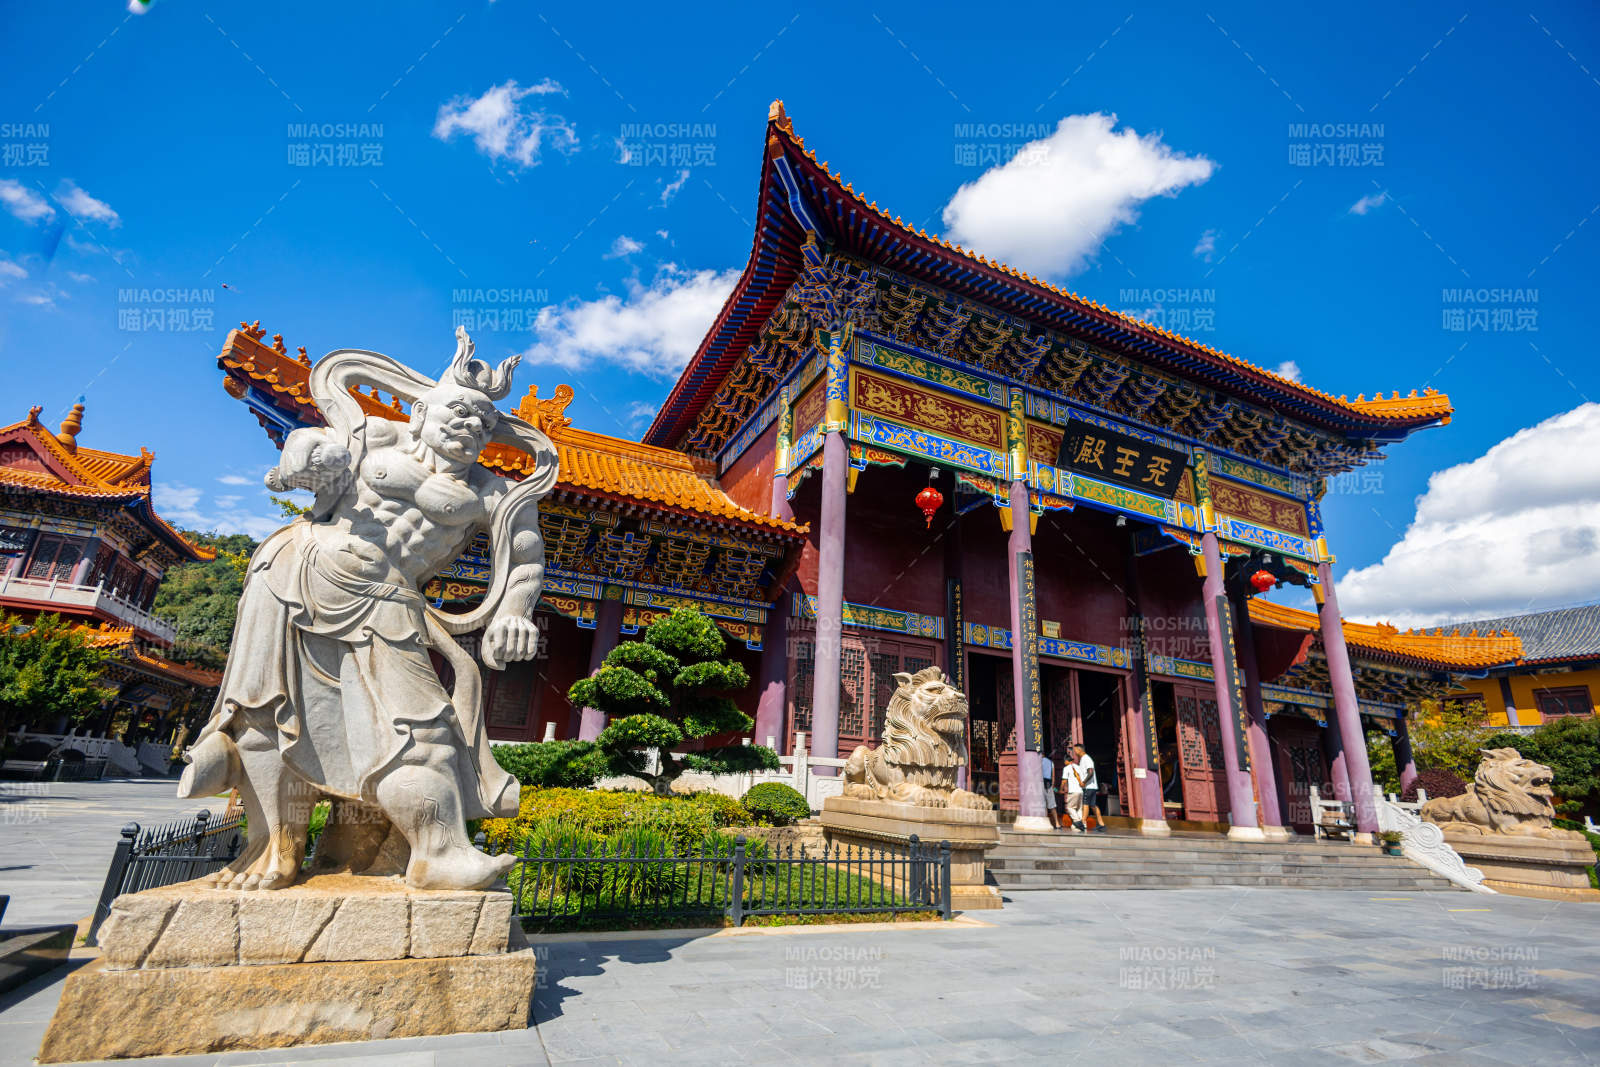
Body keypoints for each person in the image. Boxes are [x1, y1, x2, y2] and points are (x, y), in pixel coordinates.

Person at [1074, 743, 1107, 833]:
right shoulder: (1083, 759)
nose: (1075, 752)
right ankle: (1101, 824)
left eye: (1075, 750)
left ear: (1079, 749)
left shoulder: (1086, 759)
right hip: (1091, 786)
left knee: (1086, 804)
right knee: (1093, 805)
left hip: (1089, 786)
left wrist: (1084, 782)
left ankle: (1082, 822)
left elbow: (1091, 772)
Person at [1062, 754, 1086, 833]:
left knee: (1070, 807)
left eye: (1064, 762)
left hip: (1073, 791)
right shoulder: (1079, 767)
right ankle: (1082, 825)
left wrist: (1060, 789)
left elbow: (1064, 780)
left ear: (1066, 761)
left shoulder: (1066, 768)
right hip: (1080, 791)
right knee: (1079, 809)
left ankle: (1078, 822)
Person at [1040, 751, 1059, 829]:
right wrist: (1053, 786)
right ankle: (1057, 823)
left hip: (1040, 784)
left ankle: (1046, 823)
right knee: (1052, 805)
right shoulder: (1051, 762)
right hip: (1049, 785)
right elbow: (1053, 776)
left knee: (1043, 805)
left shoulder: (1037, 761)